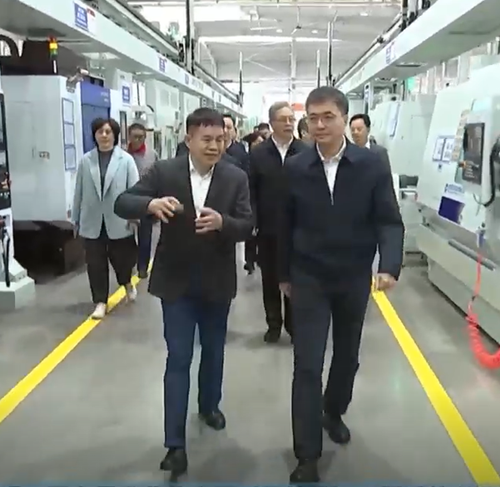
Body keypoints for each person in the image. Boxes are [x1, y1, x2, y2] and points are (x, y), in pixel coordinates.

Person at [114, 107, 253, 477]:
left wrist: (223, 223)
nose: (214, 146)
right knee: (178, 358)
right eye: (206, 139)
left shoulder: (235, 177)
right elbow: (122, 202)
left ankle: (209, 405)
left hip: (217, 281)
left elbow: (247, 224)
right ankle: (174, 444)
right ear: (188, 139)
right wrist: (150, 204)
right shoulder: (165, 172)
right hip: (176, 283)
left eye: (220, 139)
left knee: (214, 351)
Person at [278, 87, 404, 483]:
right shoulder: (296, 167)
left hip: (353, 276)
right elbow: (282, 224)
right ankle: (307, 455)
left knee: (347, 356)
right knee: (307, 364)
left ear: (345, 119)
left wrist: (390, 265)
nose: (319, 125)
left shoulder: (371, 164)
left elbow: (388, 219)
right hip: (309, 277)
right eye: (313, 118)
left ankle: (333, 411)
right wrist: (283, 274)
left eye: (327, 117)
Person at [249, 101, 307, 343]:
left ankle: (294, 326)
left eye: (291, 119)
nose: (289, 123)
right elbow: (251, 190)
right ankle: (273, 324)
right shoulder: (258, 154)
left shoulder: (305, 151)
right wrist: (253, 220)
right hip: (268, 229)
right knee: (270, 279)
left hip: (298, 229)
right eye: (283, 119)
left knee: (295, 279)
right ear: (271, 123)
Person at [72, 117, 139, 320]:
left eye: (108, 132)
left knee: (122, 261)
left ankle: (126, 283)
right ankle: (100, 301)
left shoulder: (126, 160)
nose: (104, 135)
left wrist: (134, 216)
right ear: (94, 135)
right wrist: (76, 219)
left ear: (115, 135)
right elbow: (79, 192)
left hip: (119, 220)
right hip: (92, 221)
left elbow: (134, 191)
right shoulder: (86, 161)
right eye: (100, 132)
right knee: (95, 264)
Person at [127, 122, 158, 278]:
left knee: (145, 236)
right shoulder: (123, 155)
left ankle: (142, 267)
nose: (138, 140)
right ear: (129, 137)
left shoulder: (152, 155)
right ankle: (130, 263)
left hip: (147, 201)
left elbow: (158, 177)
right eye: (135, 137)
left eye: (141, 137)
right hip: (127, 200)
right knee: (127, 237)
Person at [241, 132, 264, 274]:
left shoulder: (263, 159)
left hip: (260, 203)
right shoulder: (247, 159)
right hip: (249, 201)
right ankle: (249, 261)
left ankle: (258, 258)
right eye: (257, 142)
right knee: (250, 234)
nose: (260, 145)